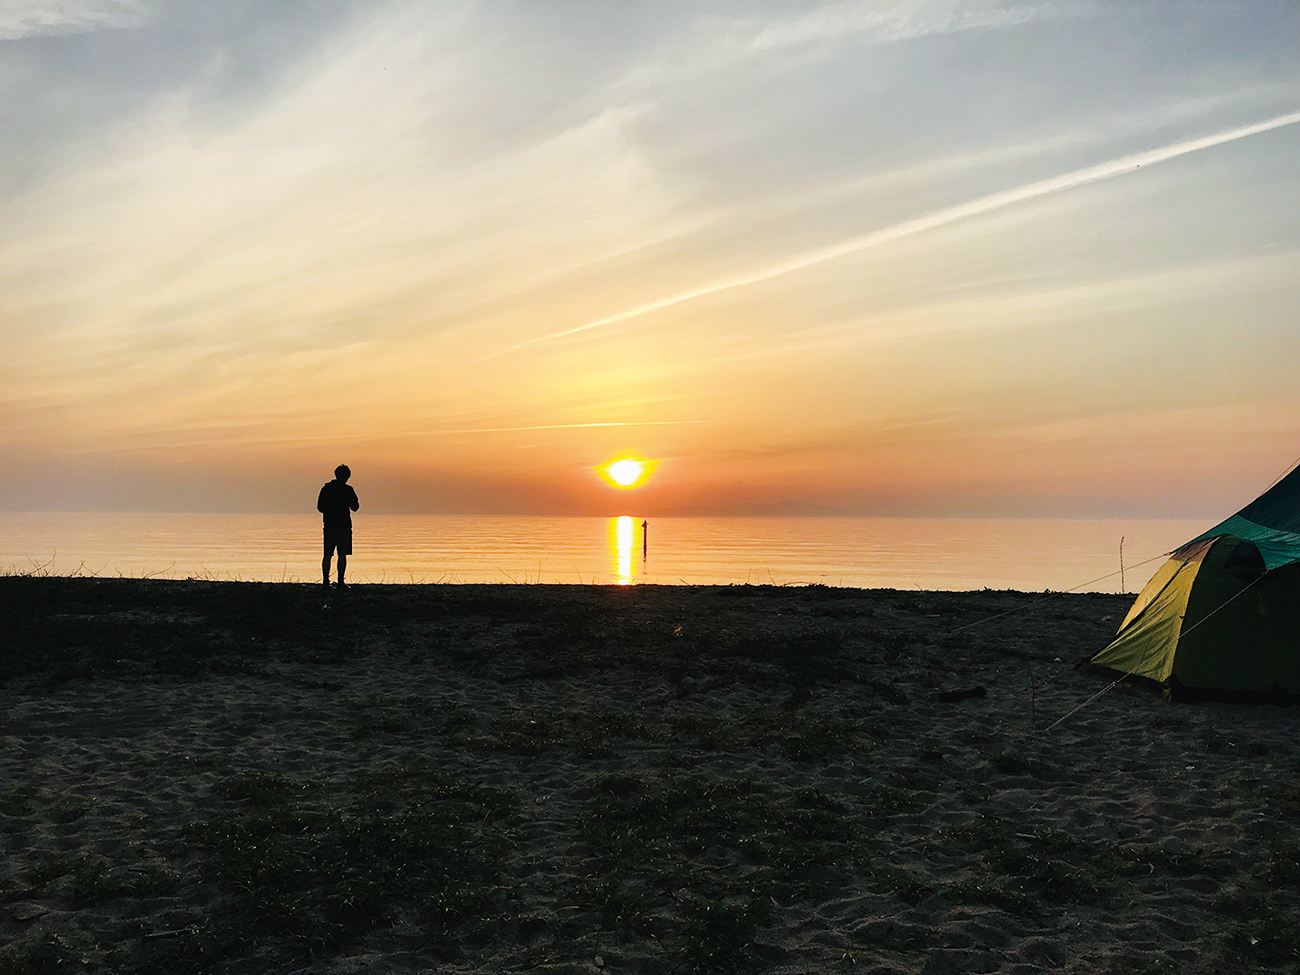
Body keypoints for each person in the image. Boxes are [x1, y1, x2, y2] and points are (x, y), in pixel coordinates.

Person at [318, 464, 359, 589]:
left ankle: (326, 582)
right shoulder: (348, 490)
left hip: (329, 526)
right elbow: (355, 507)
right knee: (342, 555)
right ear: (347, 476)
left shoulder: (326, 489)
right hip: (343, 526)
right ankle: (340, 582)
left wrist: (330, 511)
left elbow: (320, 507)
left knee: (327, 555)